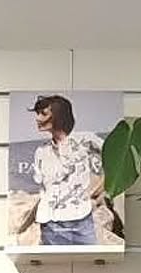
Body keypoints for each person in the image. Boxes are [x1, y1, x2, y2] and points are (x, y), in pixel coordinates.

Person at [29, 95, 104, 245]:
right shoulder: (41, 152)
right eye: (37, 114)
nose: (37, 118)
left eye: (43, 114)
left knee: (91, 259)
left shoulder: (86, 140)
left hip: (82, 221)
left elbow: (114, 156)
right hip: (51, 225)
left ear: (59, 115)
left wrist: (101, 187)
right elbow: (41, 186)